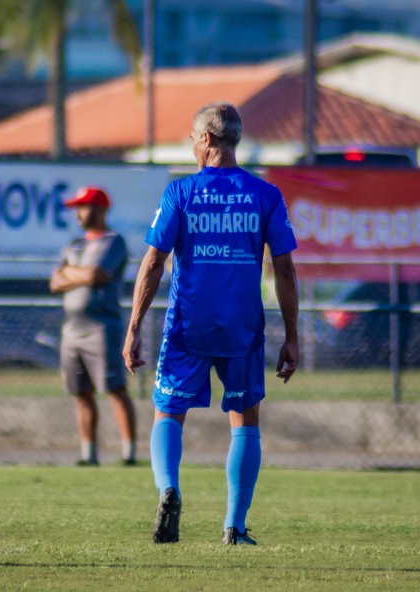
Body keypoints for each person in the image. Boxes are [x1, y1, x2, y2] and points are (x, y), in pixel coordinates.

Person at [123, 102, 299, 545]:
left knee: (169, 412)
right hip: (242, 327)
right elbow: (285, 270)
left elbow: (152, 264)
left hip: (188, 325)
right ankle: (235, 528)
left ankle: (169, 489)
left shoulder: (180, 194)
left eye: (191, 138)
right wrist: (292, 337)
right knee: (245, 420)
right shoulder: (266, 195)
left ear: (205, 139)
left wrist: (133, 328)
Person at [50, 186, 137, 466]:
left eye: (84, 207)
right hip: (71, 330)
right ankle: (88, 454)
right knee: (81, 392)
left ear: (100, 210)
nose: (79, 213)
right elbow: (54, 282)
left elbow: (98, 275)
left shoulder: (113, 241)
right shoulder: (74, 244)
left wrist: (68, 273)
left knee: (114, 389)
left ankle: (129, 453)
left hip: (101, 327)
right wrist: (77, 275)